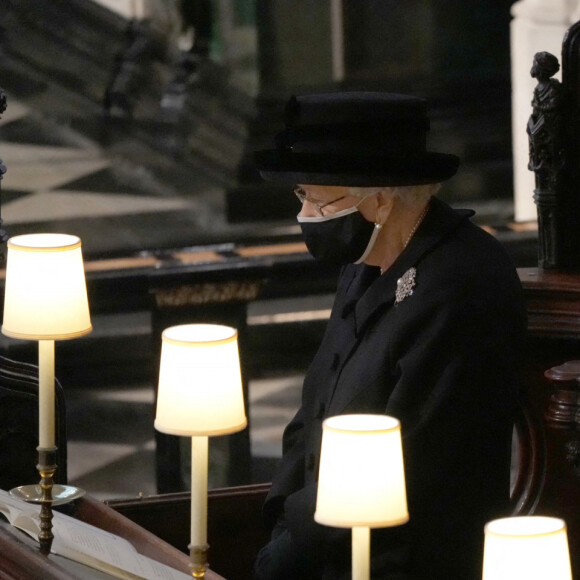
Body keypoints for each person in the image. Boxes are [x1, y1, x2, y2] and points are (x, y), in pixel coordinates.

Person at [252, 92, 527, 579]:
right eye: (303, 197)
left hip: (402, 561)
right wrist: (284, 521)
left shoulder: (464, 281)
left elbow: (418, 457)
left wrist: (298, 542)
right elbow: (313, 412)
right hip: (325, 541)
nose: (307, 214)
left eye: (320, 199)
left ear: (379, 200)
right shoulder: (367, 260)